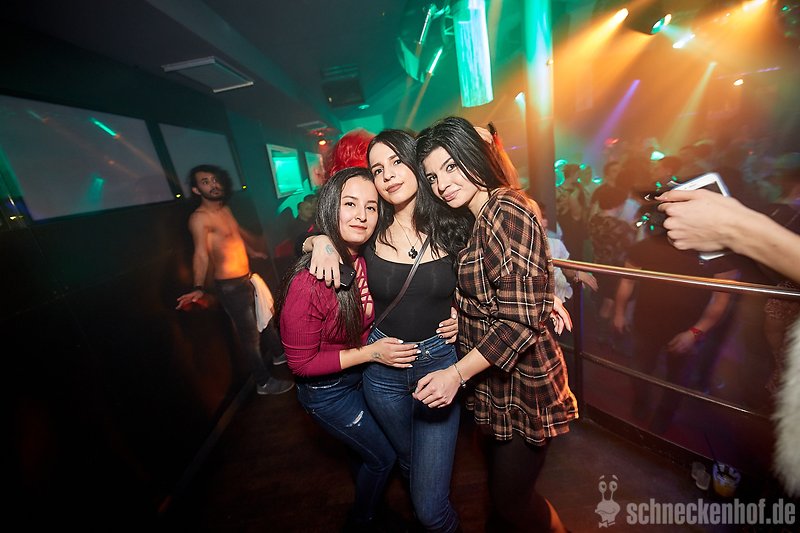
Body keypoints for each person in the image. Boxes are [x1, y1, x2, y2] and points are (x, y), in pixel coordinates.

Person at [415, 116, 577, 533]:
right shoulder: (475, 215)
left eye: (451, 166)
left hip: (524, 379)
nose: (442, 184)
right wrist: (462, 312)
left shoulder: (506, 209)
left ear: (473, 157)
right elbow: (495, 286)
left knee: (511, 502)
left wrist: (454, 374)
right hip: (492, 377)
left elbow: (519, 323)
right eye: (432, 176)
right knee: (501, 496)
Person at [303, 129, 468, 532]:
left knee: (432, 510)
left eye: (396, 161)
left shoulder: (453, 222)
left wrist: (465, 314)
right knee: (409, 462)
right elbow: (316, 238)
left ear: (416, 163)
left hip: (438, 365)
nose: (388, 174)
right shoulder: (371, 227)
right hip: (382, 372)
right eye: (377, 169)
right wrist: (319, 242)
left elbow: (488, 277)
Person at [276, 166, 420, 531]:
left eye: (370, 207)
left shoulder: (367, 255)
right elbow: (300, 364)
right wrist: (371, 353)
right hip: (327, 393)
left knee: (363, 451)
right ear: (330, 206)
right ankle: (362, 519)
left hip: (359, 379)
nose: (361, 215)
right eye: (350, 204)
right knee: (382, 457)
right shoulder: (310, 282)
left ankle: (372, 508)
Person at [656, 187, 800, 498]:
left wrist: (736, 228)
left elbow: (727, 301)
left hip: (761, 351)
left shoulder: (743, 282)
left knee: (735, 392)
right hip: (762, 353)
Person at [176, 164, 294, 395]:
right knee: (250, 338)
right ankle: (263, 383)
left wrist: (252, 252)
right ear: (197, 190)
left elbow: (235, 234)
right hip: (231, 287)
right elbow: (200, 254)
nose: (213, 185)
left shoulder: (224, 209)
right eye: (205, 182)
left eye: (214, 179)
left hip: (247, 278)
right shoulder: (199, 218)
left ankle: (279, 355)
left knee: (266, 318)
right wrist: (198, 287)